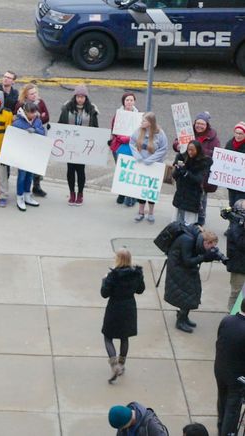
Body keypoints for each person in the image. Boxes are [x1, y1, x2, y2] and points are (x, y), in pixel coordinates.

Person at [100, 248, 145, 383]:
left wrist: (104, 280)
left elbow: (104, 294)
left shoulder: (112, 276)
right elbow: (140, 290)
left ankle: (114, 365)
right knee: (124, 337)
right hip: (129, 308)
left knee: (108, 337)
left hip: (114, 308)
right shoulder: (136, 274)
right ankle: (122, 363)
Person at [165, 228, 220, 333]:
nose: (211, 249)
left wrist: (207, 257)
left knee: (193, 291)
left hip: (184, 267)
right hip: (177, 267)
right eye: (211, 246)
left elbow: (193, 258)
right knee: (186, 293)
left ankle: (184, 317)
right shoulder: (188, 241)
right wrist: (204, 257)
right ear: (206, 242)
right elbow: (187, 261)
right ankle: (180, 321)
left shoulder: (196, 240)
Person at [172, 112, 220, 226]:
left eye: (202, 124)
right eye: (197, 123)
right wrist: (177, 145)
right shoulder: (188, 131)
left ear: (207, 125)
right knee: (184, 195)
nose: (199, 126)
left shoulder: (213, 138)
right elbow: (176, 141)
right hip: (186, 168)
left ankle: (200, 220)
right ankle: (181, 219)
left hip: (201, 170)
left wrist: (199, 151)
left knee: (201, 198)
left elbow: (216, 153)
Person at [58, 84, 99, 206]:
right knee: (70, 170)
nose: (80, 99)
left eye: (82, 97)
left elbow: (95, 128)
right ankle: (72, 193)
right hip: (69, 145)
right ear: (74, 97)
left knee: (81, 170)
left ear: (86, 98)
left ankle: (80, 193)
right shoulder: (67, 109)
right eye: (78, 96)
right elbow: (60, 124)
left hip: (83, 146)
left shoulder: (91, 111)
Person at [130, 112, 168, 223]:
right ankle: (141, 211)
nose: (141, 123)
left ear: (150, 123)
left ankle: (151, 212)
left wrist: (150, 160)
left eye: (144, 121)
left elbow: (163, 149)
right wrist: (137, 156)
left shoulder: (160, 133)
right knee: (141, 189)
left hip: (154, 166)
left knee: (152, 190)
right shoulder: (138, 131)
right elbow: (131, 143)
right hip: (142, 165)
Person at [214, 302, 245, 436]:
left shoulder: (227, 320)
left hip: (220, 369)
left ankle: (221, 429)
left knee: (222, 402)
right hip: (237, 377)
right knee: (232, 410)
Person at [15, 83, 50, 197]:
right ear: (26, 95)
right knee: (25, 167)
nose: (34, 95)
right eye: (31, 94)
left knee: (36, 163)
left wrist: (38, 118)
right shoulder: (21, 104)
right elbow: (17, 118)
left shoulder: (41, 102)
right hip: (25, 139)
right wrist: (38, 116)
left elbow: (47, 117)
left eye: (35, 93)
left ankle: (36, 186)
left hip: (37, 135)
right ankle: (23, 191)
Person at [11, 101, 46, 211]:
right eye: (31, 112)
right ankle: (20, 196)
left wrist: (35, 130)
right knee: (22, 176)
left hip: (32, 154)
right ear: (25, 112)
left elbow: (43, 132)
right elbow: (12, 136)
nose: (33, 114)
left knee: (29, 175)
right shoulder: (18, 122)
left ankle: (27, 194)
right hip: (22, 154)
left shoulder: (37, 121)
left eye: (34, 112)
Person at [110, 92, 139, 207]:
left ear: (134, 102)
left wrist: (130, 139)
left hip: (133, 147)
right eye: (127, 100)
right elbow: (114, 129)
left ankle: (130, 195)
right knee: (121, 171)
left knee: (131, 172)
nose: (129, 102)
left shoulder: (138, 115)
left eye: (131, 100)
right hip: (120, 146)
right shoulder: (118, 114)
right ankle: (121, 193)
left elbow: (141, 131)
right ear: (123, 102)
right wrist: (121, 138)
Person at [171, 141, 211, 225]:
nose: (190, 152)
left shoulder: (203, 162)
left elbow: (198, 179)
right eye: (189, 150)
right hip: (181, 193)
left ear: (198, 150)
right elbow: (174, 176)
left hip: (192, 196)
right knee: (177, 221)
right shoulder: (182, 158)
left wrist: (186, 173)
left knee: (189, 223)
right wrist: (177, 170)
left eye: (192, 150)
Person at [225, 199, 245, 310]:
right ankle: (232, 316)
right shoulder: (235, 227)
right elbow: (242, 245)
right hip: (239, 267)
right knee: (237, 293)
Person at [224, 122, 245, 207]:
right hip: (232, 183)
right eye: (236, 133)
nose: (238, 135)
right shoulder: (229, 144)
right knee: (232, 204)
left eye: (241, 133)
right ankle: (232, 221)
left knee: (240, 207)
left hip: (243, 185)